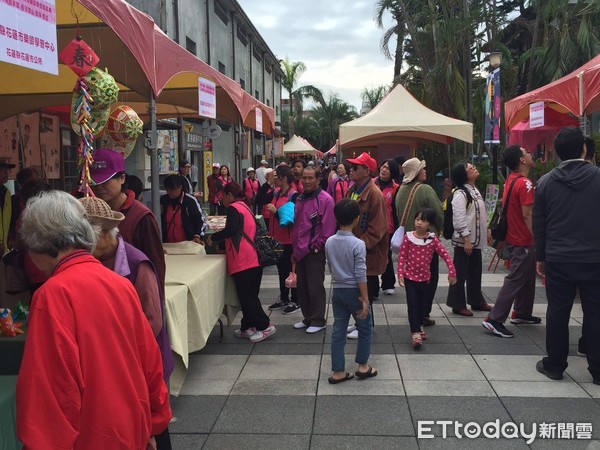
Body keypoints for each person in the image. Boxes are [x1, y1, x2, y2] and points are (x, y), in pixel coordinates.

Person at [16, 191, 171, 449]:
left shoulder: (52, 295)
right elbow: (151, 363)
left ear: (39, 244)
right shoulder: (118, 284)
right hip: (129, 429)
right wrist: (154, 423)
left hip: (89, 435)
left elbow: (50, 392)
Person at [533, 127, 600, 385]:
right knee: (595, 312)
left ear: (558, 153)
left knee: (558, 311)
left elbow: (539, 225)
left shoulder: (546, 182)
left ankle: (555, 364)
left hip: (558, 257)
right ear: (584, 149)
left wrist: (541, 257)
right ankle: (597, 368)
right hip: (594, 257)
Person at [207, 182, 276, 343]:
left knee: (248, 296)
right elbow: (239, 231)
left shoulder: (233, 208)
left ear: (229, 195)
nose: (222, 199)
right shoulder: (244, 206)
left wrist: (214, 238)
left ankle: (265, 326)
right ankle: (248, 326)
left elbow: (231, 230)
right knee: (247, 296)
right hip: (251, 259)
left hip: (244, 260)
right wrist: (224, 245)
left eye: (223, 196)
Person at [483, 146, 539, 338]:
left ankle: (522, 312)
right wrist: (538, 238)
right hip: (523, 239)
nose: (530, 154)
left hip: (514, 237)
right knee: (516, 278)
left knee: (527, 274)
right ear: (522, 160)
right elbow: (527, 214)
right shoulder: (525, 184)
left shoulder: (511, 180)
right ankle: (495, 319)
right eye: (526, 153)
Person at [90, 149, 166, 290]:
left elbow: (156, 263)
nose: (98, 187)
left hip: (132, 292)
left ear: (122, 178)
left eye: (105, 180)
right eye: (93, 182)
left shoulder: (141, 216)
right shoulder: (89, 213)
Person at [326, 198, 377, 383]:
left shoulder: (330, 242)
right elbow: (360, 273)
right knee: (365, 328)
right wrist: (365, 299)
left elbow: (330, 267)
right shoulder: (358, 244)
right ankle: (363, 366)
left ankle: (338, 371)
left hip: (337, 289)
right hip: (354, 290)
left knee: (338, 329)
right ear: (357, 219)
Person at [344, 152, 389, 340]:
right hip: (357, 250)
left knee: (366, 291)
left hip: (367, 254)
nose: (351, 170)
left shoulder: (374, 194)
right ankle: (359, 323)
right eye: (351, 167)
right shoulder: (353, 189)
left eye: (355, 167)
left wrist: (358, 247)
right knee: (357, 290)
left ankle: (365, 326)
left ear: (366, 171)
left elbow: (377, 229)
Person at [395, 157, 444, 326]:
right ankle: (423, 313)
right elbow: (438, 213)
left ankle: (415, 313)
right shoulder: (425, 189)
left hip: (409, 241)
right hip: (426, 242)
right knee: (430, 278)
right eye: (422, 168)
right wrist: (439, 229)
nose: (425, 171)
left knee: (413, 280)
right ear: (416, 172)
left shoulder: (400, 190)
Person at [398, 208, 457, 349]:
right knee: (412, 305)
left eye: (423, 221)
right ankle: (415, 332)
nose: (419, 223)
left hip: (425, 279)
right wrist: (400, 273)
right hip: (410, 278)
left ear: (429, 224)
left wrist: (452, 271)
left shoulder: (432, 240)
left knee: (422, 305)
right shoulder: (408, 237)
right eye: (417, 219)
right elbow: (402, 256)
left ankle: (419, 325)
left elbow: (445, 254)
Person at [291, 165, 336, 334]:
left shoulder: (326, 200)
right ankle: (308, 317)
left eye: (311, 178)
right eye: (304, 178)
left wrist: (316, 247)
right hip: (299, 251)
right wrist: (295, 251)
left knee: (314, 286)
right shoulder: (300, 198)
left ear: (318, 180)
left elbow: (328, 229)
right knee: (302, 286)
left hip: (314, 252)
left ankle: (318, 319)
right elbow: (297, 226)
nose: (307, 181)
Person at [445, 162, 493, 316]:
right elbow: (459, 219)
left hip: (475, 241)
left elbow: (480, 215)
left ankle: (476, 300)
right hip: (464, 241)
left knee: (475, 271)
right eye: (469, 168)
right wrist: (466, 239)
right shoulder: (460, 193)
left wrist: (487, 232)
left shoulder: (474, 190)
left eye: (473, 166)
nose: (474, 168)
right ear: (463, 175)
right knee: (460, 272)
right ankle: (457, 303)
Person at [263, 165, 301, 314]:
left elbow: (291, 219)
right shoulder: (276, 192)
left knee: (292, 271)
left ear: (284, 178)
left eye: (277, 176)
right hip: (276, 239)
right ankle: (284, 297)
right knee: (281, 270)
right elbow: (259, 198)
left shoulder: (294, 195)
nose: (275, 179)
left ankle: (296, 299)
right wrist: (269, 183)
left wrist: (276, 211)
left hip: (289, 241)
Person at [374, 159, 400, 296]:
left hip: (388, 227)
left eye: (388, 169)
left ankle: (388, 283)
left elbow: (396, 211)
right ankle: (373, 287)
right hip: (372, 226)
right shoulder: (371, 183)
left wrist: (397, 228)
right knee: (371, 255)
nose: (384, 170)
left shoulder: (396, 188)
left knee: (386, 256)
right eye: (383, 167)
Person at [160, 174, 205, 244]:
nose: (169, 192)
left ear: (180, 187)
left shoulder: (190, 201)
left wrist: (197, 235)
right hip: (167, 245)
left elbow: (200, 220)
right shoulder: (163, 201)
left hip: (187, 244)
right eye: (167, 189)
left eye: (172, 189)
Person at [0, 158, 16, 255]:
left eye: (7, 170)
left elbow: (7, 220)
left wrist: (10, 238)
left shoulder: (6, 192)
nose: (7, 173)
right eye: (2, 170)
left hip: (3, 246)